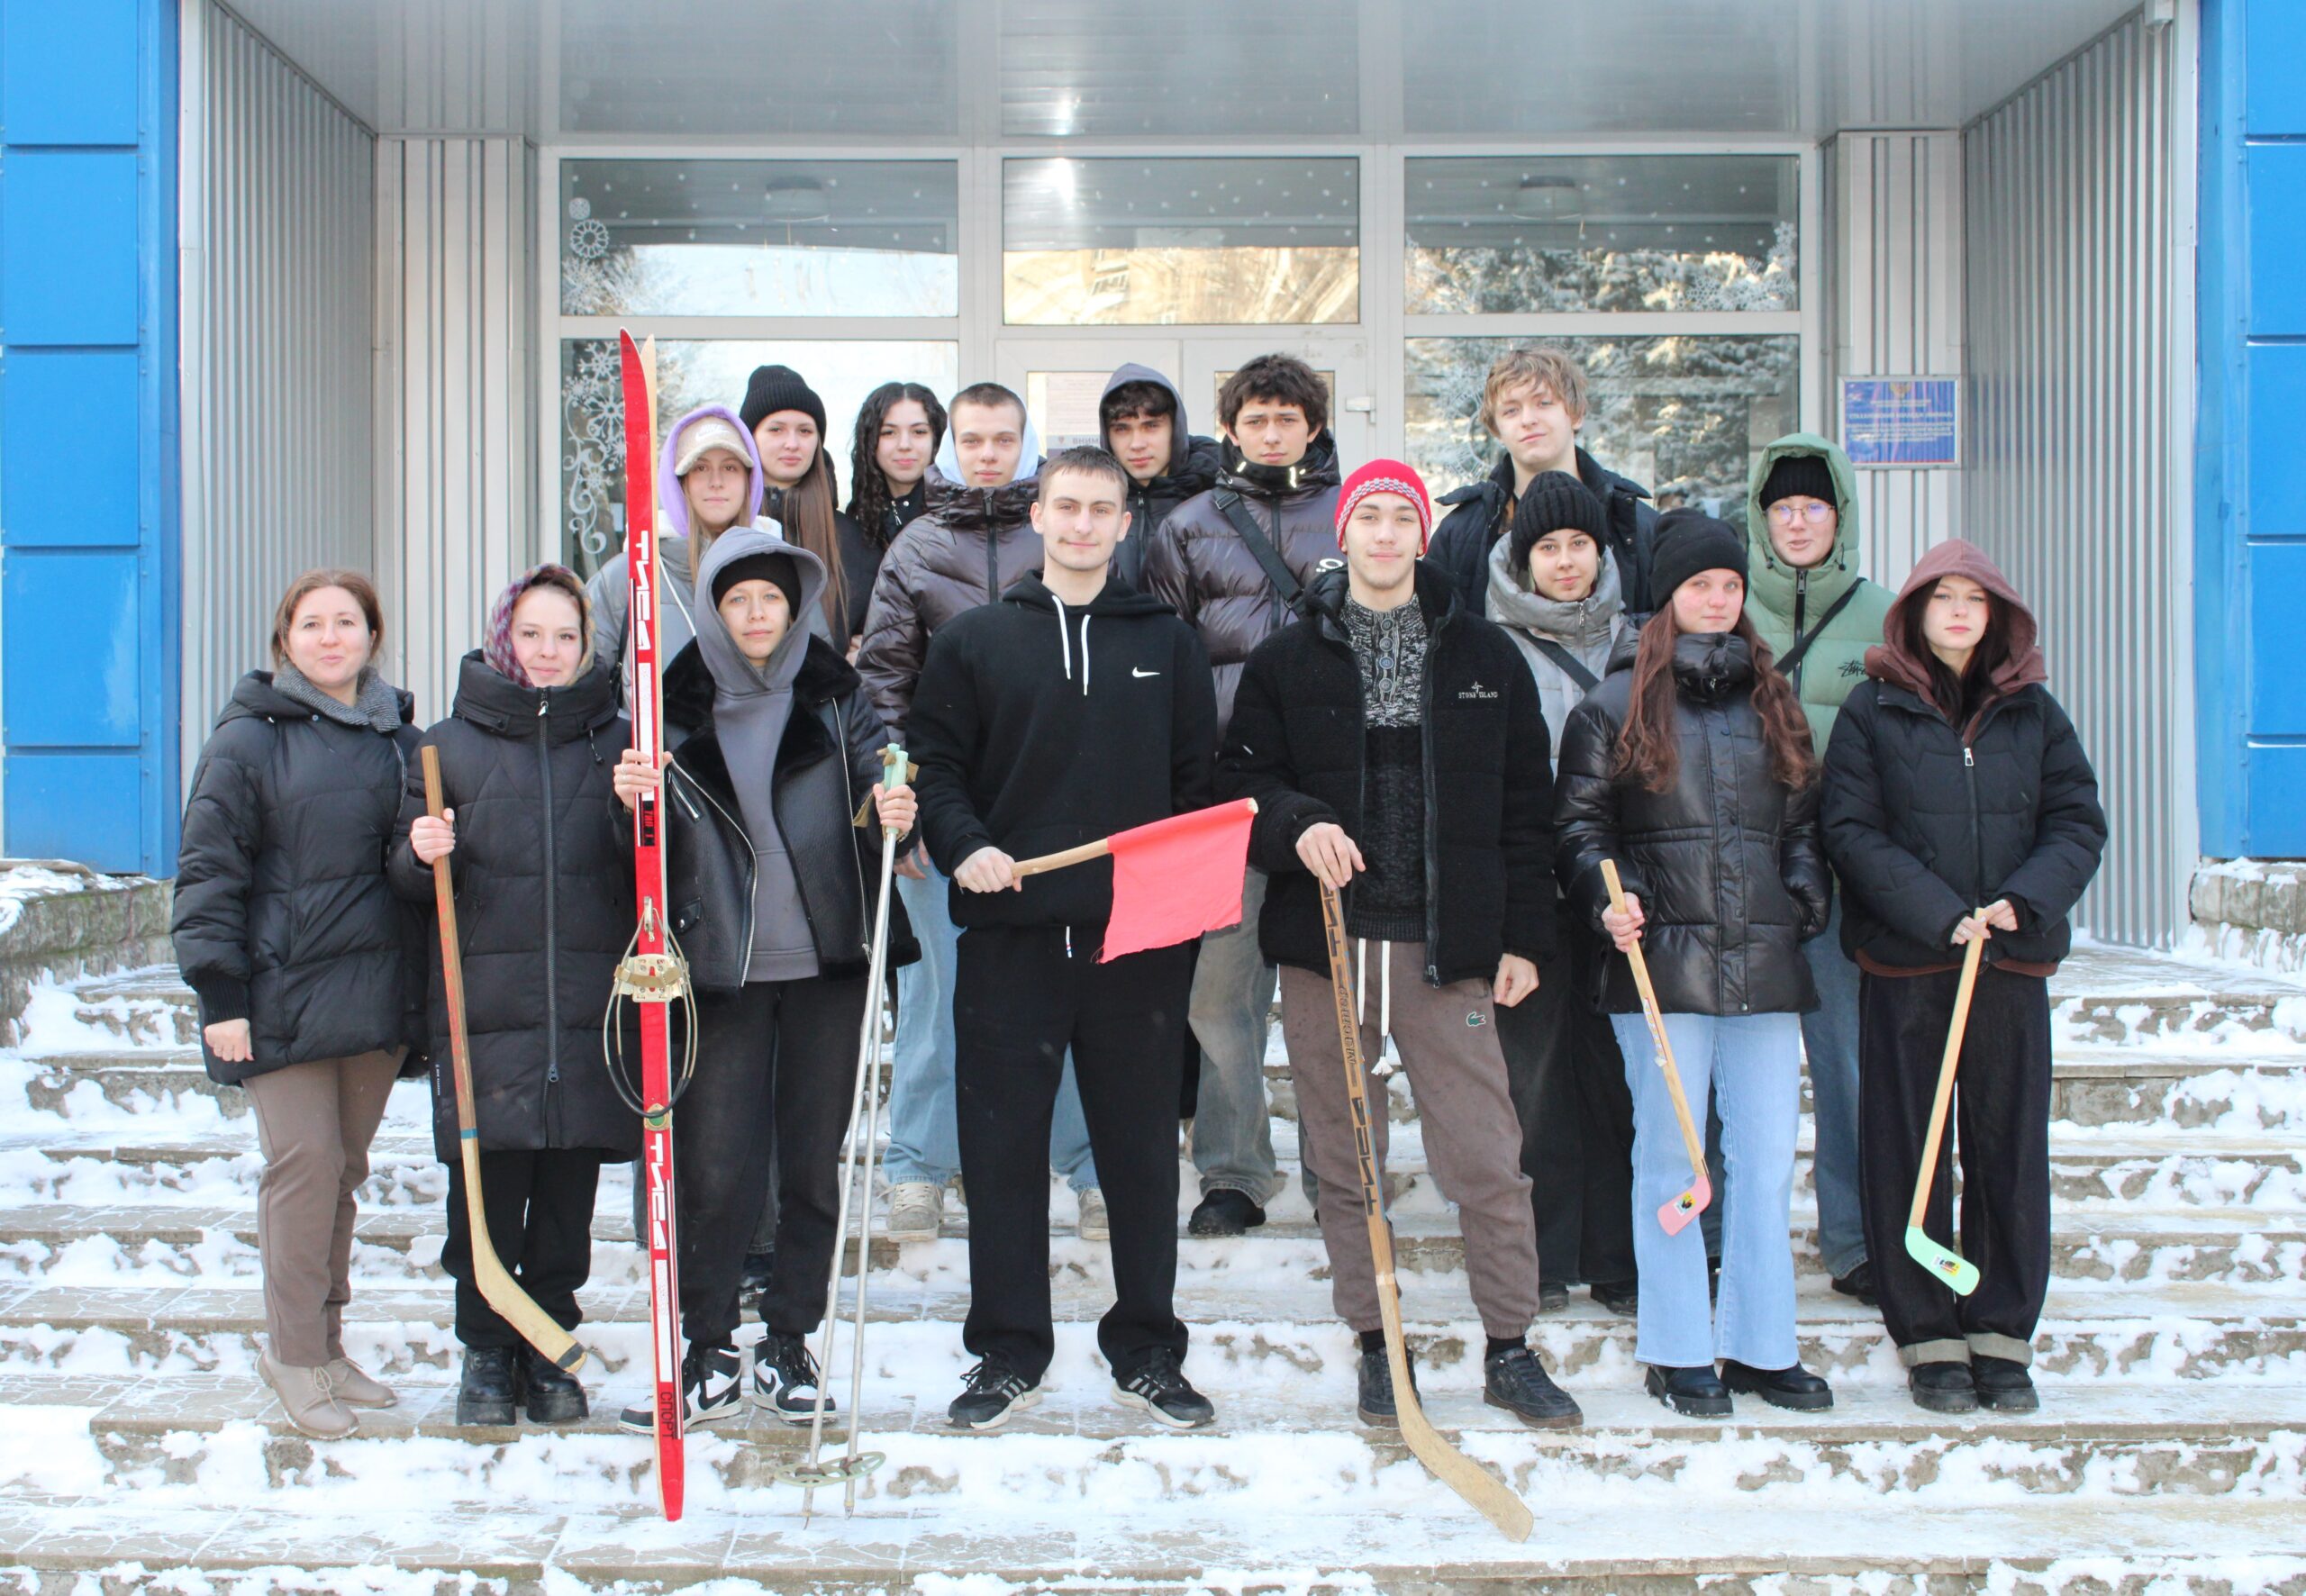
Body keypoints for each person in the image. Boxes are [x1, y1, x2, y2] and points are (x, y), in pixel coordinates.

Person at [1219, 459, 1580, 1430]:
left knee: (1486, 1155)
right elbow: (1242, 785)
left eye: (1400, 517)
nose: (1383, 533)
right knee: (1346, 1158)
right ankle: (1379, 1341)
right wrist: (1295, 820)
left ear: (1423, 534)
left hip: (1444, 944)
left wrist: (1521, 937)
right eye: (1367, 516)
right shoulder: (1283, 660)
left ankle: (1509, 1343)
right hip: (1327, 942)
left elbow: (1522, 811)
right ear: (1342, 532)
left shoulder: (1484, 658)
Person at [908, 445, 1219, 1432]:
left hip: (1135, 941)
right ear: (1036, 515)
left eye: (1101, 509)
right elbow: (937, 770)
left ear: (1127, 523)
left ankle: (1146, 1346)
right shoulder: (973, 642)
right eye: (1066, 506)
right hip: (1011, 935)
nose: (1083, 524)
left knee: (1137, 1154)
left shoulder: (1167, 642)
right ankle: (1008, 1350)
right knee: (1000, 1153)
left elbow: (1193, 791)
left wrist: (1171, 903)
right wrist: (968, 847)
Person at [609, 529, 920, 1429]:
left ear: (796, 607)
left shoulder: (834, 692)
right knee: (716, 1167)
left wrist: (889, 804)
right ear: (711, 606)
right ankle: (705, 1345)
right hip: (715, 969)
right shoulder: (667, 704)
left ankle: (789, 1339)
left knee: (812, 1164)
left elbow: (875, 785)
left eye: (771, 600)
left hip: (826, 959)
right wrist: (625, 802)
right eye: (737, 598)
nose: (755, 614)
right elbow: (632, 857)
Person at [1553, 511, 1836, 1419]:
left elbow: (1800, 822)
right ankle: (1677, 1348)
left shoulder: (1773, 698)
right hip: (1661, 963)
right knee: (1673, 1156)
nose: (1716, 599)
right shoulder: (1614, 703)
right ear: (1666, 598)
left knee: (1760, 1158)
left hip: (1763, 962)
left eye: (1728, 586)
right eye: (1698, 586)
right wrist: (1611, 893)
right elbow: (1580, 826)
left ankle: (1761, 1344)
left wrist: (1801, 897)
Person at [1821, 539, 2106, 1416]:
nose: (1955, 612)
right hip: (1911, 958)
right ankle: (1928, 1332)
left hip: (2008, 959)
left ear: (1996, 614)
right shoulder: (1875, 710)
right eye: (1939, 597)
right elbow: (1851, 827)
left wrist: (2021, 901)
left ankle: (1999, 1330)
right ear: (1911, 612)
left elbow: (2077, 820)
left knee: (2005, 1145)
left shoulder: (2034, 712)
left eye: (1971, 599)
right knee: (1907, 1142)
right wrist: (1938, 908)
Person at [171, 570, 426, 1439]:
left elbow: (408, 874)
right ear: (285, 640)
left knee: (344, 1175)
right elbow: (209, 871)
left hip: (370, 998)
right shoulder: (247, 741)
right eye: (310, 624)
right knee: (305, 1166)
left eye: (345, 622)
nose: (329, 638)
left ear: (372, 635)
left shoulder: (402, 740)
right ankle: (288, 1352)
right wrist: (220, 993)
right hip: (276, 996)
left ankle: (326, 1345)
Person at [856, 381, 1105, 1245]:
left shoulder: (1065, 534)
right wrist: (906, 803)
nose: (990, 453)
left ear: (1025, 442)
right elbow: (884, 681)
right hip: (946, 808)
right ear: (952, 445)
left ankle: (1087, 1164)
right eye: (975, 438)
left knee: (1069, 993)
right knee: (936, 994)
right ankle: (920, 1165)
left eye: (1005, 438)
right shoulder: (918, 547)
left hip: (1055, 815)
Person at [389, 566, 637, 1427]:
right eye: (531, 634)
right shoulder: (445, 747)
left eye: (564, 637)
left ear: (585, 645)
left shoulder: (616, 741)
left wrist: (635, 812)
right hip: (484, 1015)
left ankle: (551, 1349)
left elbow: (649, 870)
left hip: (583, 1011)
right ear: (505, 638)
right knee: (484, 1203)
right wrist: (419, 852)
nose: (546, 651)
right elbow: (404, 879)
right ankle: (487, 1355)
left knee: (566, 1200)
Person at [1143, 352, 1345, 1238]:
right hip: (1227, 797)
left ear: (1312, 424)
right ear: (1229, 428)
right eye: (1256, 417)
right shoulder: (1186, 528)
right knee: (1220, 993)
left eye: (1287, 417)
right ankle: (1233, 1172)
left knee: (1335, 994)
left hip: (1334, 793)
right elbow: (1162, 669)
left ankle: (1339, 1164)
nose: (1271, 432)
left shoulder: (1353, 517)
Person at [1740, 433, 1894, 1308]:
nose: (1797, 522)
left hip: (1843, 870)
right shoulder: (1727, 602)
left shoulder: (1882, 611)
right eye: (1782, 507)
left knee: (1847, 1061)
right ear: (1762, 518)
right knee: (1735, 1062)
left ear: (1839, 515)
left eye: (1812, 506)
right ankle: (1725, 1232)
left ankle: (1855, 1237)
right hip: (1747, 866)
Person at [1484, 473, 1638, 1317]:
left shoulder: (1641, 641)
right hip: (1532, 889)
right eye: (1548, 547)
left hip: (1623, 891)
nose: (1566, 561)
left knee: (1616, 1074)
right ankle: (1538, 1251)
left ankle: (1617, 1253)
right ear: (1522, 557)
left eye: (1580, 544)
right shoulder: (1490, 645)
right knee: (1530, 1077)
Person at [1425, 344, 1659, 617]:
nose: (1528, 420)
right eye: (1511, 410)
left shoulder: (1634, 524)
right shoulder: (1462, 532)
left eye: (1544, 403)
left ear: (1576, 413)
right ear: (1496, 428)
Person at [587, 403, 768, 688]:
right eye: (700, 467)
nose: (716, 482)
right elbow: (586, 693)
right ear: (677, 482)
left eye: (730, 467)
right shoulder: (626, 576)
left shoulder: (781, 569)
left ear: (750, 480)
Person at [741, 363, 878, 648]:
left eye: (805, 431)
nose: (792, 443)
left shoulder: (855, 542)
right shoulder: (725, 529)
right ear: (749, 439)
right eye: (776, 429)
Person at [1099, 363, 1221, 592]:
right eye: (1122, 429)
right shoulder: (1091, 503)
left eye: (1151, 426)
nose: (1137, 444)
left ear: (1175, 429)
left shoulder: (1218, 497)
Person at [846, 380, 947, 557]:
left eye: (919, 432)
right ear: (870, 442)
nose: (904, 445)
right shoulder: (857, 523)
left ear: (937, 439)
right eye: (889, 433)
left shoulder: (959, 517)